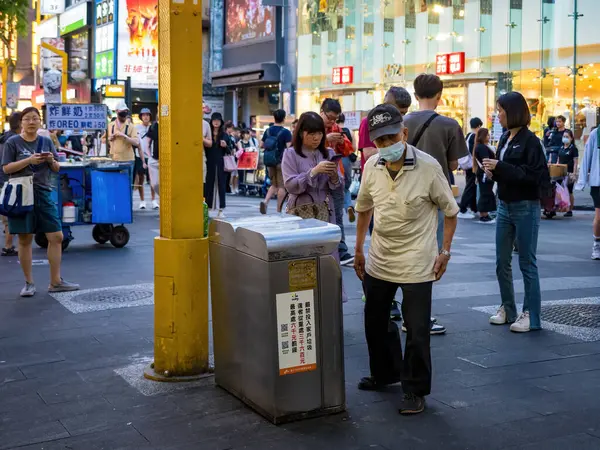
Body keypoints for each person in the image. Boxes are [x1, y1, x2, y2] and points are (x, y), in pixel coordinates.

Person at [353, 104, 458, 415]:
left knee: (416, 329)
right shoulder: (372, 166)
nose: (386, 146)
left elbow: (450, 212)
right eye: (380, 141)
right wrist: (359, 247)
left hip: (417, 261)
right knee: (375, 321)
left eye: (391, 138)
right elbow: (364, 208)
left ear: (404, 133)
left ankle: (415, 390)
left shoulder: (428, 168)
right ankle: (385, 373)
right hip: (380, 259)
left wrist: (445, 251)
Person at [483, 92, 549, 333]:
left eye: (500, 110)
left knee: (526, 263)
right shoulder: (504, 138)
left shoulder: (531, 141)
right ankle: (508, 308)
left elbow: (535, 176)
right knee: (502, 261)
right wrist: (494, 172)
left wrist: (502, 167)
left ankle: (531, 315)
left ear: (513, 112)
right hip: (504, 205)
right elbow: (510, 172)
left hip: (526, 206)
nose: (497, 115)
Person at [1, 107, 80, 297]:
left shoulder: (45, 141)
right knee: (25, 239)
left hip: (44, 192)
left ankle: (56, 281)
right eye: (27, 119)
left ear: (40, 122)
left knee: (57, 236)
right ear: (21, 122)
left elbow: (56, 168)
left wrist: (52, 160)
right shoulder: (13, 142)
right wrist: (29, 160)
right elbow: (6, 168)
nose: (31, 122)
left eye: (35, 118)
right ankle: (29, 283)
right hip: (22, 194)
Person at [320, 98, 354, 266]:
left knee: (337, 214)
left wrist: (342, 141)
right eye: (330, 117)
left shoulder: (337, 129)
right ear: (322, 112)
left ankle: (341, 250)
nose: (332, 121)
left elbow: (349, 150)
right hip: (318, 178)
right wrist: (326, 139)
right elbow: (306, 146)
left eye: (335, 118)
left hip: (335, 176)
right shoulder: (312, 125)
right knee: (319, 214)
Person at [260, 109, 292, 214]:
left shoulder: (268, 131)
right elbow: (289, 148)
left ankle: (265, 201)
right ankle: (278, 210)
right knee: (282, 186)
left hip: (269, 161)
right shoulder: (286, 132)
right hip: (281, 162)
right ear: (284, 118)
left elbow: (261, 145)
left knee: (274, 185)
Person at [576, 126, 600, 260]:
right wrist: (582, 180)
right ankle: (597, 244)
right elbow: (586, 157)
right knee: (599, 216)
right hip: (598, 182)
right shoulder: (596, 134)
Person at [0, 112, 21, 257]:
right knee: (10, 215)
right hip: (7, 180)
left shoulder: (4, 138)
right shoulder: (15, 140)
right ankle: (8, 246)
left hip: (2, 179)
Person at [107, 101, 140, 187]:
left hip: (127, 160)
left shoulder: (131, 126)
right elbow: (105, 139)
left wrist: (125, 136)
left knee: (126, 185)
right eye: (122, 112)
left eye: (126, 112)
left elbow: (136, 142)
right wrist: (110, 138)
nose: (124, 115)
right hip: (114, 159)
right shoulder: (111, 125)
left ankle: (127, 200)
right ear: (117, 111)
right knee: (115, 184)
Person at [458, 117, 483, 219]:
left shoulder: (468, 135)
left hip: (467, 165)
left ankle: (473, 207)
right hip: (472, 165)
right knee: (471, 186)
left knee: (472, 185)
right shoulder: (474, 137)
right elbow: (475, 152)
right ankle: (463, 209)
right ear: (478, 126)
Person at [135, 108, 158, 209]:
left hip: (152, 156)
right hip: (139, 155)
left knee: (153, 179)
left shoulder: (154, 127)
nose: (145, 117)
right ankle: (142, 201)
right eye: (143, 115)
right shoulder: (136, 128)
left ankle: (154, 200)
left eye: (147, 115)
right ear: (141, 117)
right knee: (141, 179)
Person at [205, 112, 228, 217]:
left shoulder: (224, 135)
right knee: (209, 185)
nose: (216, 122)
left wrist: (225, 146)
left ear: (221, 122)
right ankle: (208, 208)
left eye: (218, 120)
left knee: (221, 185)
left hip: (220, 163)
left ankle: (221, 209)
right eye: (214, 120)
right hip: (209, 162)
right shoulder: (207, 133)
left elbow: (230, 150)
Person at [472, 128, 496, 223]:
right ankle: (484, 215)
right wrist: (488, 171)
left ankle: (485, 214)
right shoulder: (481, 147)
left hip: (484, 173)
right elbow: (486, 160)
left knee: (486, 192)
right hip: (485, 174)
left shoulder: (480, 146)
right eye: (487, 135)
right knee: (485, 193)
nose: (489, 137)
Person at [336, 113, 356, 223]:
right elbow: (354, 148)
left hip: (336, 160)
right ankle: (348, 206)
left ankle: (339, 209)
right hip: (347, 160)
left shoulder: (333, 131)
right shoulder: (350, 132)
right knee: (346, 186)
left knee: (337, 186)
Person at [557, 129, 578, 217]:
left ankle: (570, 209)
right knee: (561, 191)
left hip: (569, 173)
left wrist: (574, 173)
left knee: (569, 191)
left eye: (567, 137)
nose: (565, 138)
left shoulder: (573, 149)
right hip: (560, 173)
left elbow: (575, 162)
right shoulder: (561, 147)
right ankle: (562, 207)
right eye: (564, 136)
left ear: (571, 138)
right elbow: (558, 159)